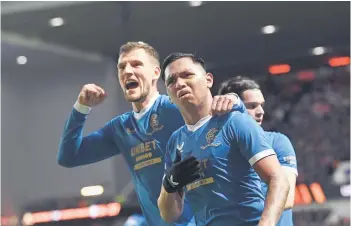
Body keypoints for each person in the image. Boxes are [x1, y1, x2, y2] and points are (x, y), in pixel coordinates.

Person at [57, 41, 246, 226]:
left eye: (136, 64)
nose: (127, 71)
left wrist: (234, 100)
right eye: (121, 67)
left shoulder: (175, 108)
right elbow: (68, 156)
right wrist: (81, 107)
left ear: (156, 73)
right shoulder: (120, 128)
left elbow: (229, 119)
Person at [157, 52, 290, 226]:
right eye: (171, 81)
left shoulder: (235, 122)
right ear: (168, 94)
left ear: (208, 80)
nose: (180, 83)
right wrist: (169, 184)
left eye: (187, 75)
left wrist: (267, 223)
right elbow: (169, 215)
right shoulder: (175, 142)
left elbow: (278, 179)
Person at [218, 76, 298, 226]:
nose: (261, 111)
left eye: (261, 105)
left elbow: (286, 198)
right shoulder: (215, 148)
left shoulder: (277, 142)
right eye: (252, 106)